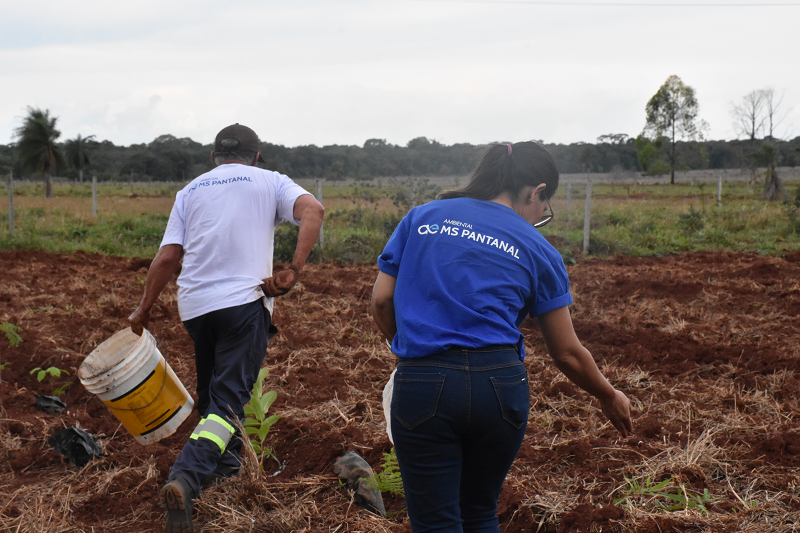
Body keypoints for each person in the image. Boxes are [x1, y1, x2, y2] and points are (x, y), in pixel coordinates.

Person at [370, 141, 632, 533]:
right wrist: (608, 395)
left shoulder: (422, 218)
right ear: (536, 191)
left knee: (435, 521)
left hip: (424, 382)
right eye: (545, 206)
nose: (541, 215)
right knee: (478, 512)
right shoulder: (539, 249)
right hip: (501, 386)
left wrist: (410, 351)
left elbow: (381, 301)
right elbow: (567, 353)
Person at [128, 123, 324, 533]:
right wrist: (294, 269)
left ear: (213, 157)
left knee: (212, 395)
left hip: (196, 307)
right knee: (228, 403)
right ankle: (187, 476)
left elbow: (167, 258)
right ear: (255, 157)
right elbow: (313, 211)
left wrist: (143, 309)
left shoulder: (191, 190)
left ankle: (228, 475)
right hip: (243, 305)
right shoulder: (271, 182)